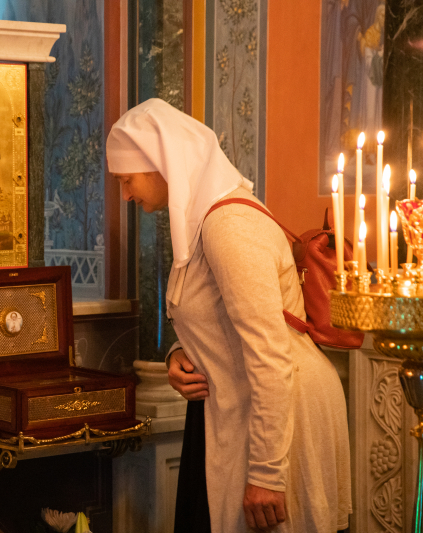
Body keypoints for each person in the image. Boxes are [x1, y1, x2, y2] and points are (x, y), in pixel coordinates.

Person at [106, 99, 351, 532]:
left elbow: (269, 351)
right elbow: (220, 319)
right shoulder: (200, 222)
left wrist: (267, 474)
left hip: (279, 413)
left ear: (162, 165)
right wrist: (180, 355)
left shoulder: (228, 226)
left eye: (127, 180)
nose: (125, 195)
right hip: (234, 406)